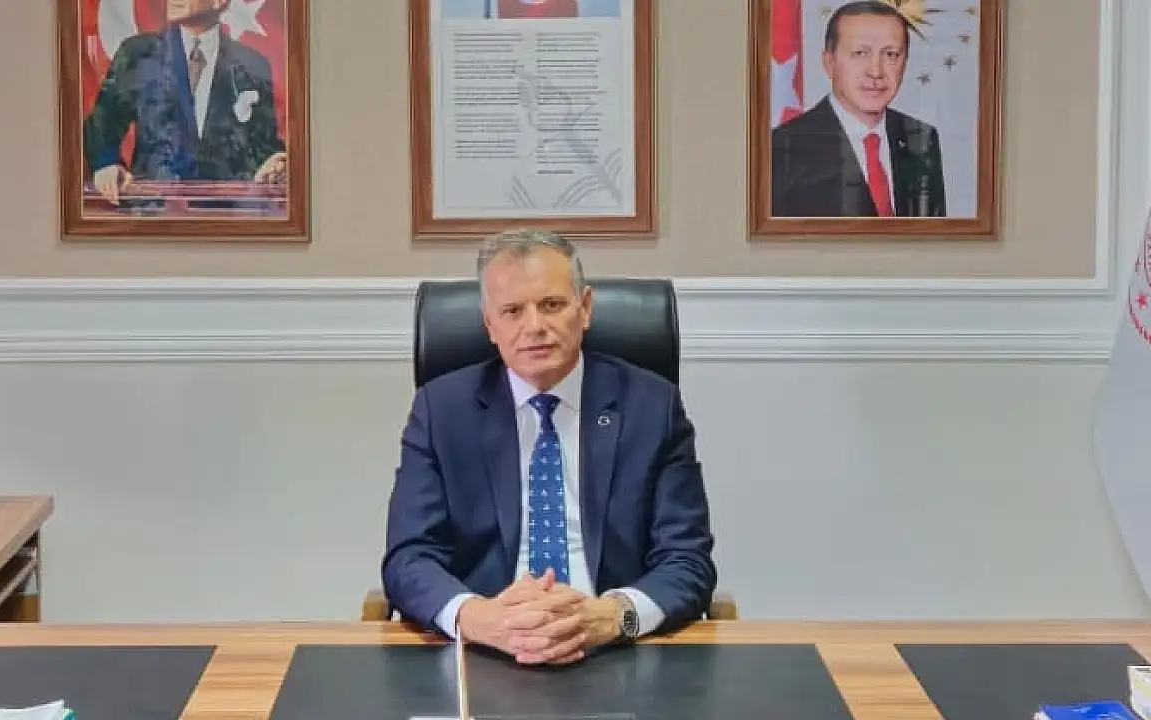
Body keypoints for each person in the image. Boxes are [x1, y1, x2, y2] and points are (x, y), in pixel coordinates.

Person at [381, 228, 717, 666]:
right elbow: (409, 558)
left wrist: (614, 616)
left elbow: (687, 559)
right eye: (512, 311)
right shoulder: (441, 409)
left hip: (614, 648)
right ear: (489, 325)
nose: (534, 327)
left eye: (552, 305)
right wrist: (478, 618)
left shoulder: (652, 406)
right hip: (485, 651)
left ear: (585, 308)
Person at [82, 0, 287, 204]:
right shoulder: (138, 54)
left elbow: (263, 145)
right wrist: (106, 165)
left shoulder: (251, 64)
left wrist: (274, 165)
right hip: (152, 212)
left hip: (225, 214)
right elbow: (102, 125)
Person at [770, 0, 946, 218]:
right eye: (860, 53)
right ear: (829, 62)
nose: (876, 71)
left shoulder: (921, 137)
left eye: (891, 54)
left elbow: (933, 235)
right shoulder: (781, 147)